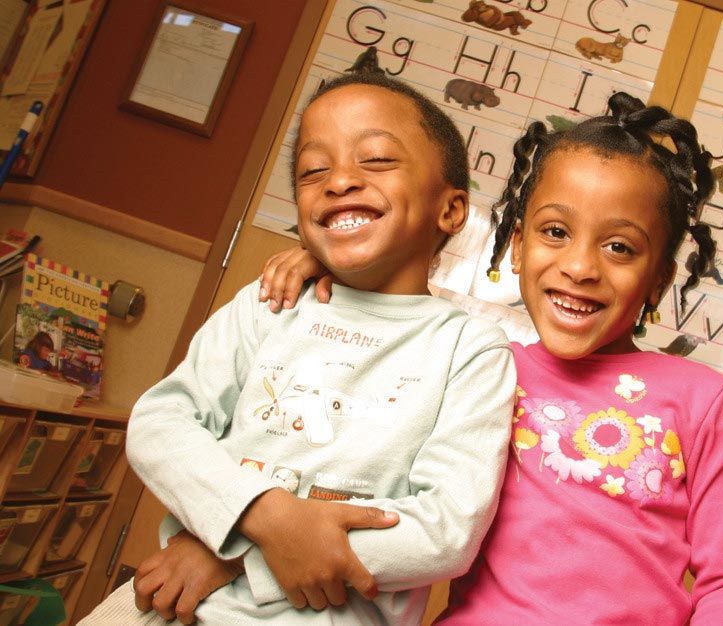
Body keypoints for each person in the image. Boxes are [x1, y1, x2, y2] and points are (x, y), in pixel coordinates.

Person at [257, 92, 723, 625]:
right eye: (556, 232)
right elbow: (355, 478)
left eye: (619, 247)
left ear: (659, 277)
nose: (580, 266)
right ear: (518, 246)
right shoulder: (474, 365)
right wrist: (330, 263)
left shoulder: (703, 402)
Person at [79, 72, 516, 626]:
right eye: (314, 171)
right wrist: (261, 515)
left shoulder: (470, 348)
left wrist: (237, 553)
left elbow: (444, 531)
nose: (338, 182)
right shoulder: (269, 304)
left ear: (451, 210)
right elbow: (160, 423)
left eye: (376, 160)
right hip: (172, 604)